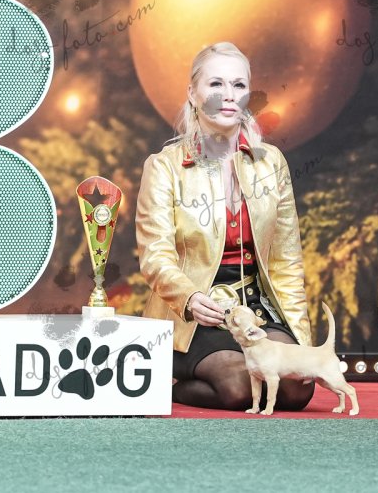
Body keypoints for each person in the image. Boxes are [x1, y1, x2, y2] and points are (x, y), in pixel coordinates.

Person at [135, 41, 315, 410]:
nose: (228, 95)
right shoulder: (164, 166)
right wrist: (189, 299)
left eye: (238, 85)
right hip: (193, 318)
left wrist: (304, 342)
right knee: (240, 386)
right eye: (216, 84)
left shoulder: (271, 162)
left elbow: (286, 263)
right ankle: (169, 385)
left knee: (296, 388)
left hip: (255, 310)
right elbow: (155, 256)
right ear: (193, 93)